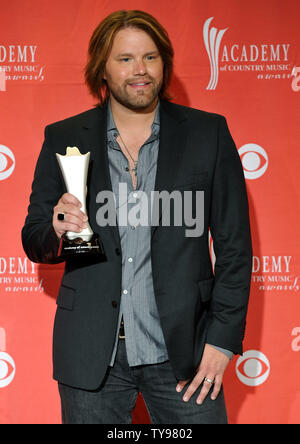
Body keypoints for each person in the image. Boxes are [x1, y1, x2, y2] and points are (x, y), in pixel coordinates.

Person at [22, 10, 252, 424]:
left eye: (150, 57)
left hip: (185, 354)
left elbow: (235, 248)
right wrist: (56, 227)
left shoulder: (208, 134)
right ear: (102, 70)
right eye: (125, 59)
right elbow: (35, 236)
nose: (140, 70)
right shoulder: (64, 137)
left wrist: (221, 341)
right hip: (92, 355)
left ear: (164, 63)